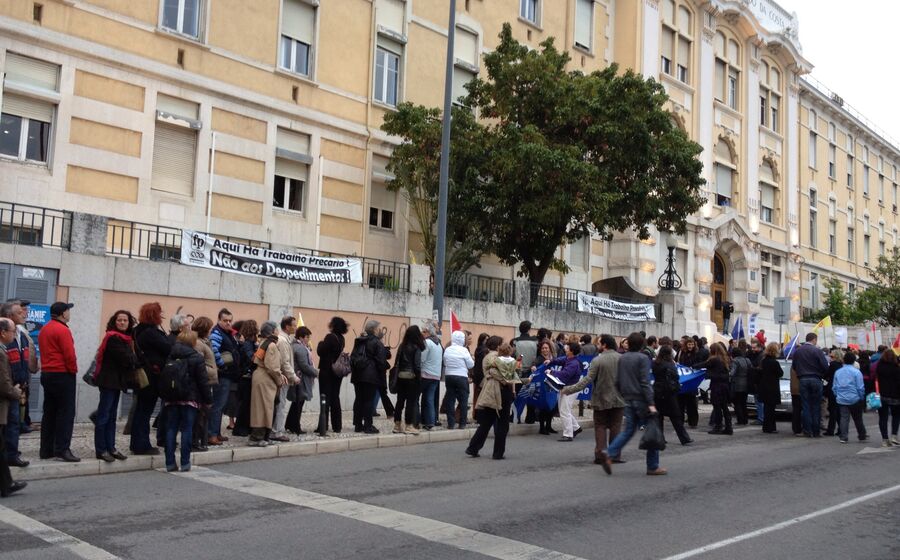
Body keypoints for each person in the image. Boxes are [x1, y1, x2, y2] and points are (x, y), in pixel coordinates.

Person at [602, 332, 665, 476]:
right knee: (652, 429)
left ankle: (609, 452)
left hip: (628, 398)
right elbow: (645, 381)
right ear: (642, 344)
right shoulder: (643, 358)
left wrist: (623, 394)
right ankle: (653, 466)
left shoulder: (622, 358)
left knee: (628, 430)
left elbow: (617, 381)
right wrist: (651, 403)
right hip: (641, 399)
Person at [562, 334, 625, 464]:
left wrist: (569, 389)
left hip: (601, 398)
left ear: (604, 345)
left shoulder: (597, 360)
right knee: (616, 427)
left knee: (600, 426)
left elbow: (587, 380)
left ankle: (601, 455)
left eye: (599, 343)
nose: (597, 346)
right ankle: (614, 455)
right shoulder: (622, 359)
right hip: (619, 399)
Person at [161, 330, 210, 472]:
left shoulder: (171, 355)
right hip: (190, 398)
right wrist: (208, 400)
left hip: (171, 397)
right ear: (193, 342)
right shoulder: (197, 357)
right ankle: (185, 462)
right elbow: (203, 381)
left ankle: (170, 463)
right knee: (187, 429)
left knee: (171, 429)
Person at [93, 310, 138, 462]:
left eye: (125, 320)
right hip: (108, 382)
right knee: (104, 416)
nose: (122, 322)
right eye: (119, 320)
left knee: (111, 417)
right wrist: (134, 357)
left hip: (116, 382)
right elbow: (127, 359)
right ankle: (101, 449)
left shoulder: (126, 338)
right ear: (114, 321)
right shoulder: (113, 338)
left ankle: (111, 447)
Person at [38, 302, 79, 462]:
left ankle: (46, 449)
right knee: (66, 413)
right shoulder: (63, 330)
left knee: (50, 412)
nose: (69, 313)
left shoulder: (45, 328)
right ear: (63, 313)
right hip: (62, 374)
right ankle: (62, 449)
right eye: (68, 311)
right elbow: (69, 354)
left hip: (47, 373)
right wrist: (73, 370)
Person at [466, 339, 518, 459]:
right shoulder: (499, 359)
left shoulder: (490, 358)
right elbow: (507, 377)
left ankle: (473, 447)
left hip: (492, 392)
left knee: (487, 422)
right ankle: (498, 453)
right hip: (501, 392)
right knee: (502, 423)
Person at [132, 302, 171, 456]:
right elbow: (168, 348)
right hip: (151, 377)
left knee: (141, 410)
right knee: (144, 412)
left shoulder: (137, 330)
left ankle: (137, 443)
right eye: (159, 313)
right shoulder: (150, 333)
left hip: (143, 375)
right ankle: (142, 445)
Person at [1, 301, 35, 467]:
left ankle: (11, 453)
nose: (24, 314)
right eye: (19, 312)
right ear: (9, 316)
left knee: (15, 422)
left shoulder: (21, 333)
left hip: (19, 384)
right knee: (9, 423)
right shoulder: (6, 335)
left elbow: (24, 358)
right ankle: (9, 455)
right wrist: (13, 387)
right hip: (9, 387)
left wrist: (24, 380)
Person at [249, 322, 287, 446]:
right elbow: (272, 367)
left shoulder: (264, 342)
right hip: (265, 379)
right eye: (276, 329)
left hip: (262, 377)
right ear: (272, 331)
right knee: (263, 409)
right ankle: (257, 438)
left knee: (265, 408)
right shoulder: (271, 345)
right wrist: (279, 380)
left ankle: (264, 437)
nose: (278, 331)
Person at [0, 318, 26, 497]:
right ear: (3, 333)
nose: (14, 334)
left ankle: (6, 483)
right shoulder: (1, 353)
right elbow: (3, 384)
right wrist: (16, 392)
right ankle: (6, 484)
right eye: (12, 331)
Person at [350, 320, 389, 434]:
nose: (380, 330)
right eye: (379, 328)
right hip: (370, 375)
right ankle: (368, 425)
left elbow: (353, 356)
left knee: (359, 399)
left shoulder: (359, 340)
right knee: (368, 400)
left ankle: (358, 425)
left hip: (357, 375)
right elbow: (381, 361)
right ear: (375, 329)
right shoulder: (377, 342)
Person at [209, 309, 240, 445]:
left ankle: (217, 433)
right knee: (218, 405)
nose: (228, 323)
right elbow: (214, 350)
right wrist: (222, 365)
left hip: (227, 375)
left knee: (221, 406)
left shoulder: (227, 333)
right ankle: (212, 434)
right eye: (225, 320)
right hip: (222, 375)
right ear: (219, 320)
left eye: (230, 320)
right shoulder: (217, 333)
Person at [651, 346, 693, 445]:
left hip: (658, 391)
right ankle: (684, 438)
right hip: (669, 392)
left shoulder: (655, 363)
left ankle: (660, 438)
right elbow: (676, 376)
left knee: (659, 417)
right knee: (675, 416)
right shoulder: (670, 364)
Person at [543, 340, 583, 442]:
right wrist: (551, 361)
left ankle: (568, 434)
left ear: (571, 351)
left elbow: (564, 374)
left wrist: (551, 371)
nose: (565, 348)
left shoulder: (573, 363)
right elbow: (560, 360)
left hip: (571, 388)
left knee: (564, 411)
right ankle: (576, 428)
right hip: (567, 387)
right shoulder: (569, 358)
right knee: (564, 410)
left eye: (567, 348)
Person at [792, 333, 828, 437]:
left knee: (805, 406)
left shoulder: (798, 351)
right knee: (816, 406)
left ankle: (807, 430)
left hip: (803, 379)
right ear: (814, 340)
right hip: (816, 379)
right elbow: (825, 366)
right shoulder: (817, 351)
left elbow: (794, 366)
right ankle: (816, 431)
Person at [316, 316, 349, 434]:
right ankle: (337, 426)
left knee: (325, 398)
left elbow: (321, 351)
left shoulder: (330, 337)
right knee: (335, 397)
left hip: (327, 371)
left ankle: (323, 425)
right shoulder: (341, 338)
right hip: (337, 372)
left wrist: (320, 343)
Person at [270, 317, 300, 442]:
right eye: (294, 325)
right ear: (287, 327)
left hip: (283, 377)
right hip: (283, 378)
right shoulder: (282, 341)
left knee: (279, 404)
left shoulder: (285, 339)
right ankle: (276, 432)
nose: (296, 327)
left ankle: (276, 430)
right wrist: (293, 376)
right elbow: (284, 362)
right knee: (280, 405)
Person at [190, 317, 217, 452]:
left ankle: (201, 440)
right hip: (202, 381)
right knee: (200, 414)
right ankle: (195, 441)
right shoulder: (198, 344)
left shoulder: (204, 342)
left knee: (204, 413)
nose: (211, 330)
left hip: (207, 380)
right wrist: (211, 370)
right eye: (209, 328)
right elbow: (198, 364)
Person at [287, 326, 318, 435]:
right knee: (298, 403)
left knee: (296, 402)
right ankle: (295, 426)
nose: (308, 339)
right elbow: (304, 366)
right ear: (301, 337)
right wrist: (316, 372)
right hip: (301, 379)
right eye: (307, 337)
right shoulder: (300, 348)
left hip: (298, 378)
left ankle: (289, 424)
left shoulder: (296, 346)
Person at [393, 325, 424, 435]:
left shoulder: (402, 346)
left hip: (401, 376)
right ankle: (409, 425)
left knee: (400, 401)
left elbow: (397, 361)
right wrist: (419, 378)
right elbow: (417, 365)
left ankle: (397, 425)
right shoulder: (417, 347)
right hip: (412, 377)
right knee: (410, 402)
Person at [697, 342, 733, 435]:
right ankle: (728, 427)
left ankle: (718, 426)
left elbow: (703, 364)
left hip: (717, 386)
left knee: (717, 407)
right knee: (724, 407)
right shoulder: (725, 359)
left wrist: (692, 366)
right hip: (725, 386)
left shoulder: (714, 359)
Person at [832, 352, 867, 443]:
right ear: (854, 361)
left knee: (844, 418)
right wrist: (861, 397)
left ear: (844, 360)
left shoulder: (838, 372)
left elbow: (834, 386)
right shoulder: (857, 372)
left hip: (841, 398)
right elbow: (860, 387)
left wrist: (837, 395)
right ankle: (862, 435)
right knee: (858, 418)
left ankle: (843, 437)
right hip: (854, 398)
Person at [232, 320, 258, 437]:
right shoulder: (248, 344)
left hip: (246, 377)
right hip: (245, 377)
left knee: (246, 404)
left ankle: (245, 427)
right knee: (245, 404)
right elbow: (251, 358)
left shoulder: (249, 343)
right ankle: (240, 428)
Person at [443, 330, 474, 429]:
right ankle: (462, 423)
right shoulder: (464, 350)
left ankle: (451, 423)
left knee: (450, 400)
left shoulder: (448, 349)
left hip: (449, 376)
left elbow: (445, 362)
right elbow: (471, 364)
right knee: (463, 400)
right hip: (461, 376)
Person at [512, 321, 539, 424]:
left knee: (518, 395)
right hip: (532, 370)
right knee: (531, 394)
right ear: (529, 329)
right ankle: (530, 417)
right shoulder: (535, 341)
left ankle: (516, 416)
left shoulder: (515, 341)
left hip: (519, 370)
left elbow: (513, 356)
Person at [419, 321, 443, 430]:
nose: (422, 333)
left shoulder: (427, 342)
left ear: (428, 332)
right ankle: (430, 421)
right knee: (429, 398)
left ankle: (418, 420)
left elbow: (422, 358)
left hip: (425, 374)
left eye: (424, 331)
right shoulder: (438, 344)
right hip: (436, 375)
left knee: (417, 397)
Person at [532, 339, 559, 434]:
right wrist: (533, 367)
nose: (544, 350)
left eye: (546, 348)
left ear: (550, 349)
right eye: (543, 348)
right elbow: (534, 365)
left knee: (551, 406)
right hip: (543, 386)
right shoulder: (539, 359)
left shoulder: (553, 358)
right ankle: (542, 428)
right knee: (543, 407)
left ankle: (548, 426)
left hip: (552, 385)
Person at [875, 349, 900, 446]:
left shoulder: (879, 366)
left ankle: (885, 439)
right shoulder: (896, 368)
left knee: (883, 417)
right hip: (895, 396)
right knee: (896, 416)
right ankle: (894, 436)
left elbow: (875, 379)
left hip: (882, 395)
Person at [758, 342, 783, 434]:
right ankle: (771, 427)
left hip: (764, 387)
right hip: (772, 387)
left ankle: (766, 427)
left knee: (766, 408)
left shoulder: (763, 361)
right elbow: (780, 373)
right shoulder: (774, 362)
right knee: (771, 409)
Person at [676, 337, 700, 428]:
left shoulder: (697, 353)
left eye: (692, 344)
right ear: (686, 345)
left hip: (691, 382)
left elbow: (699, 364)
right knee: (680, 404)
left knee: (692, 404)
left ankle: (693, 422)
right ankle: (680, 421)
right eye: (689, 344)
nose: (690, 346)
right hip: (682, 380)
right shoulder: (680, 352)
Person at [730, 348, 752, 425]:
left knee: (737, 403)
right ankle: (745, 419)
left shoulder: (735, 361)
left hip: (737, 384)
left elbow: (732, 373)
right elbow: (751, 369)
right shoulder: (747, 360)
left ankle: (740, 420)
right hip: (746, 383)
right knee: (744, 403)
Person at [823, 349, 842, 436]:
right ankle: (841, 429)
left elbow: (826, 374)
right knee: (837, 410)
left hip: (832, 388)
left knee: (832, 410)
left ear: (835, 356)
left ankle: (831, 430)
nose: (830, 357)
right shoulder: (841, 365)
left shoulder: (833, 364)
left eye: (831, 356)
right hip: (840, 389)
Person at [471, 333, 489, 416]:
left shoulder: (477, 349)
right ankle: (480, 414)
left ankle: (475, 414)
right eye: (486, 339)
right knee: (482, 395)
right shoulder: (485, 351)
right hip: (482, 375)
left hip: (476, 374)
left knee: (476, 395)